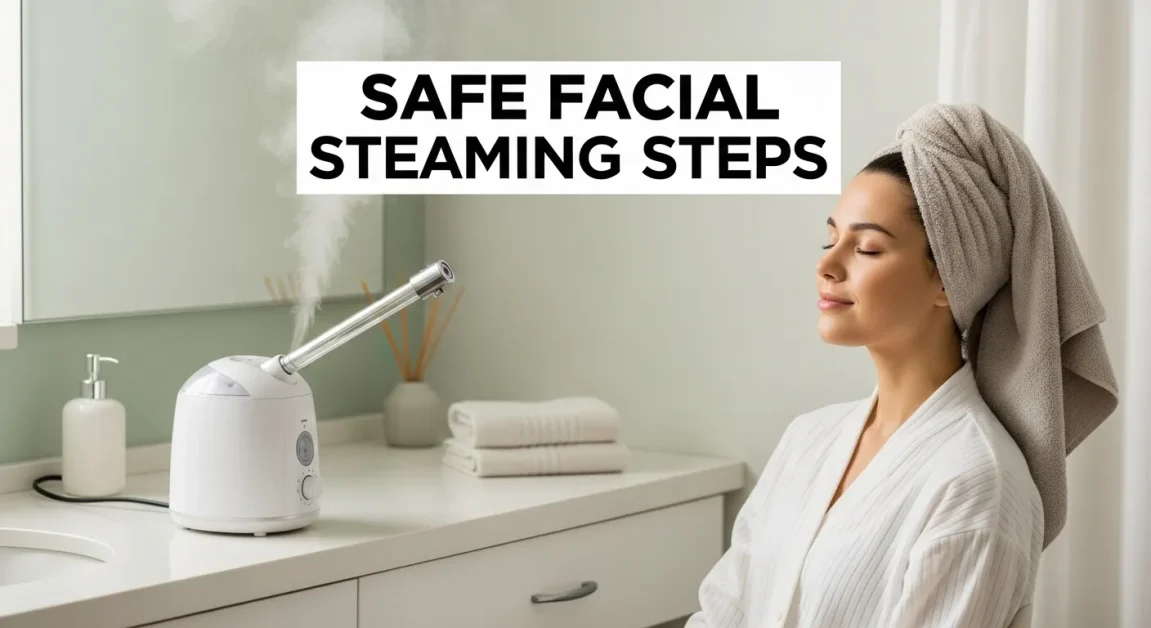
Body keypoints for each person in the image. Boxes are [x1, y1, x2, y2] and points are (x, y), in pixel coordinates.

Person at [685, 103, 1119, 628]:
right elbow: (723, 611)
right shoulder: (807, 439)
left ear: (947, 279)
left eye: (867, 248)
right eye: (830, 239)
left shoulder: (978, 484)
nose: (826, 264)